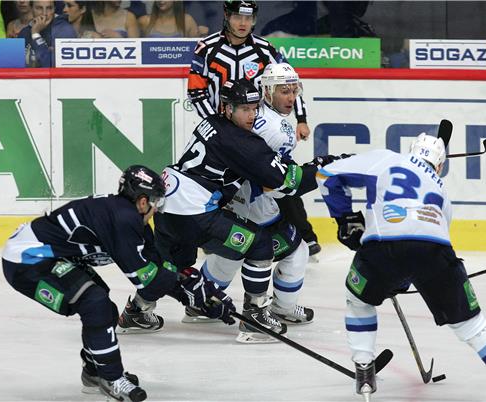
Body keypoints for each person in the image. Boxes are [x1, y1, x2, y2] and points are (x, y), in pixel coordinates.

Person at [316, 133, 486, 401]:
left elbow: (326, 175)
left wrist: (345, 218)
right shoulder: (441, 190)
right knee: (474, 327)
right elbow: (432, 243)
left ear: (411, 150)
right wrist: (408, 277)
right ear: (440, 166)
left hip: (381, 249)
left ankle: (363, 369)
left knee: (358, 301)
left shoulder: (386, 159)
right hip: (435, 252)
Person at [119, 79, 335, 340]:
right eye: (244, 109)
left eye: (255, 108)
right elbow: (290, 182)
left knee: (173, 266)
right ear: (227, 108)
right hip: (195, 212)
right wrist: (326, 167)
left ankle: (136, 311)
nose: (251, 115)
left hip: (168, 206)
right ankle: (256, 315)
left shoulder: (210, 122)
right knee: (258, 244)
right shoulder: (241, 142)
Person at [2, 165, 235, 401]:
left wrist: (199, 292)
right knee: (95, 302)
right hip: (27, 261)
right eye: (156, 202)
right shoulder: (123, 218)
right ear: (143, 201)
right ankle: (111, 377)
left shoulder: (130, 217)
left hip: (54, 257)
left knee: (105, 308)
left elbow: (159, 265)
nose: (157, 209)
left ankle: (95, 370)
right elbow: (149, 282)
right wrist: (187, 288)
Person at [193, 64, 336, 342]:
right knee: (295, 250)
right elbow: (277, 183)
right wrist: (316, 172)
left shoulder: (256, 116)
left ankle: (200, 301)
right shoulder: (276, 128)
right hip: (255, 203)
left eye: (294, 90)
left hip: (226, 200)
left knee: (229, 255)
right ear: (267, 91)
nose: (291, 97)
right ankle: (277, 309)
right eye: (284, 91)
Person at [188, 0, 322, 259]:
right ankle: (214, 236)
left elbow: (292, 82)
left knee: (283, 176)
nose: (243, 23)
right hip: (222, 133)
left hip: (260, 129)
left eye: (249, 19)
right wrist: (217, 128)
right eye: (238, 17)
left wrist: (301, 118)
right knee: (216, 182)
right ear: (227, 15)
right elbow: (196, 91)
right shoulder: (206, 48)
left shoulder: (265, 49)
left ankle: (306, 235)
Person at [18, 0, 77, 67]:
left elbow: (49, 66)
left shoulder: (65, 30)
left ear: (54, 9)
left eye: (49, 8)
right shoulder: (24, 32)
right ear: (31, 9)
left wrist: (36, 35)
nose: (44, 13)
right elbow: (15, 66)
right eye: (39, 8)